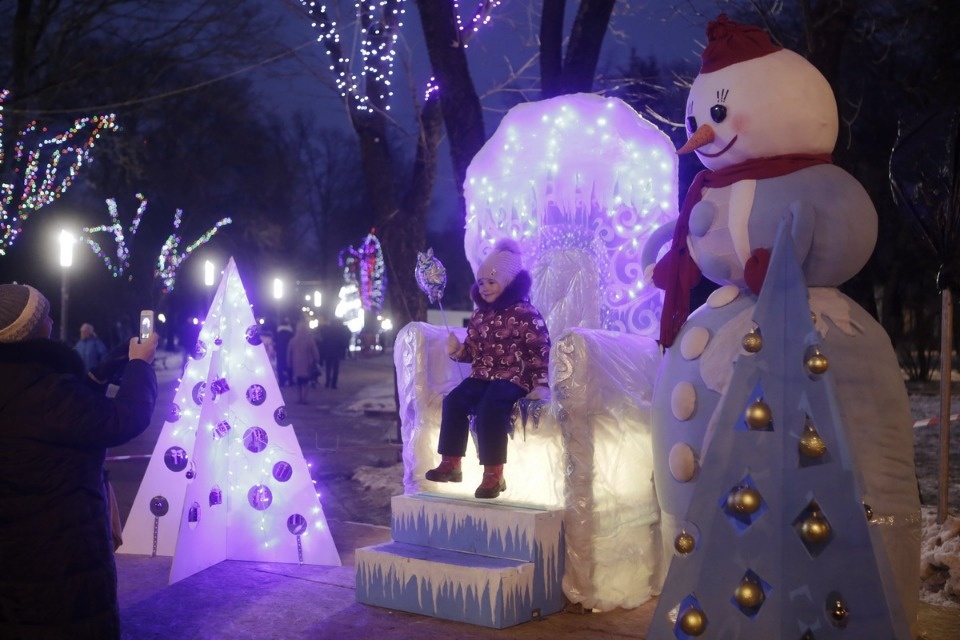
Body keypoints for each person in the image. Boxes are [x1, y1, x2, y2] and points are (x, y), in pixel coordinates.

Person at [0, 283, 159, 639]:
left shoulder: (27, 386)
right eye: (44, 316)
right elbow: (124, 418)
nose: (53, 320)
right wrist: (140, 366)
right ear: (27, 331)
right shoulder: (47, 392)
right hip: (61, 559)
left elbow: (66, 419)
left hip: (14, 554)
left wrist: (100, 374)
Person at [425, 239, 551, 499]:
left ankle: (494, 474)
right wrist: (458, 351)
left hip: (514, 377)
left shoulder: (526, 312)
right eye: (481, 283)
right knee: (455, 401)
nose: (485, 288)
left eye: (492, 282)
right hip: (482, 375)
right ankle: (451, 462)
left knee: (490, 407)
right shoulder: (480, 315)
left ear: (509, 282)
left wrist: (541, 384)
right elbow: (473, 352)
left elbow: (539, 350)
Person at [286, 319, 320, 404]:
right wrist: (316, 360)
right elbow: (315, 351)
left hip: (296, 364)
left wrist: (289, 363)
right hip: (307, 364)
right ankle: (304, 399)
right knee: (305, 382)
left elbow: (289, 352)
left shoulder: (293, 340)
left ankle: (299, 398)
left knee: (299, 382)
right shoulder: (309, 340)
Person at [319, 317, 352, 389]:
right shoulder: (339, 331)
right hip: (336, 352)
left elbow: (323, 342)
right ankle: (333, 384)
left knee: (328, 368)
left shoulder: (327, 331)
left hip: (328, 351)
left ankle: (327, 382)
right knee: (335, 368)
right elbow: (343, 341)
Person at [275, 316, 294, 387]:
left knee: (280, 367)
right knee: (289, 366)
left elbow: (275, 342)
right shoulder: (291, 333)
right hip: (288, 352)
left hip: (280, 352)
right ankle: (290, 381)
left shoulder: (278, 332)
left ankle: (281, 382)